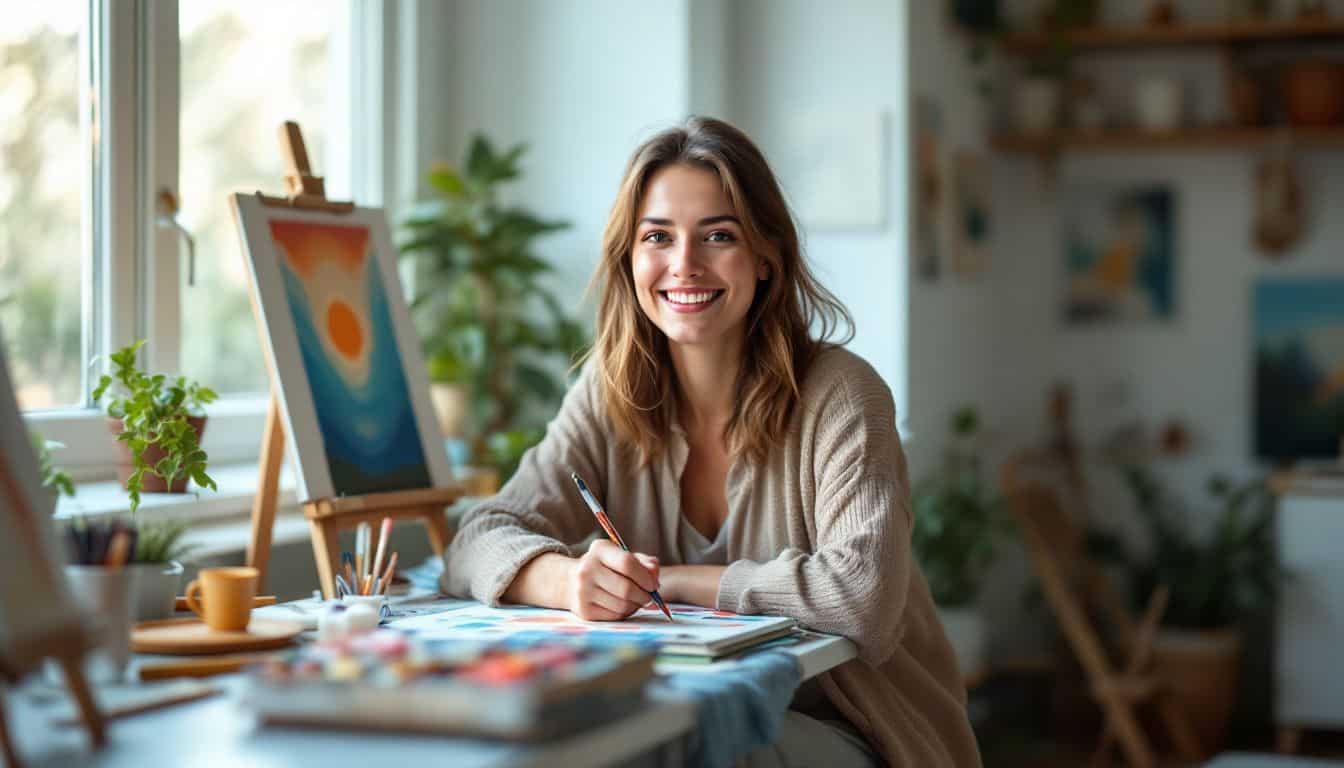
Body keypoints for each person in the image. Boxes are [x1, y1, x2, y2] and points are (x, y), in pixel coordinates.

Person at [443, 117, 980, 767]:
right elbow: (477, 537)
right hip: (691, 707)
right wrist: (564, 581)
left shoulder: (843, 393)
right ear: (630, 258)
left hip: (856, 724)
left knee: (682, 752)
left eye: (718, 236)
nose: (684, 265)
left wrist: (670, 581)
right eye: (657, 237)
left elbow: (860, 599)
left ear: (765, 258)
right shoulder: (608, 393)